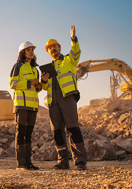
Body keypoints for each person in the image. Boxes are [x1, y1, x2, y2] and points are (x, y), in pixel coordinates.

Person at [41, 25, 87, 170]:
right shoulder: (48, 69)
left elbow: (76, 51)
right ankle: (63, 162)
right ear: (48, 52)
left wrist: (73, 39)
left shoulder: (69, 60)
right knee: (57, 132)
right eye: (50, 48)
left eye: (54, 47)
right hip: (53, 102)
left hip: (67, 98)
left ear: (59, 48)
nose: (52, 49)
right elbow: (44, 87)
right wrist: (43, 80)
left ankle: (79, 161)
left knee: (73, 128)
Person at [9, 41, 42, 170]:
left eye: (32, 50)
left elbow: (35, 89)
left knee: (28, 135)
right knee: (20, 133)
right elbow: (13, 84)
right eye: (28, 50)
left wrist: (39, 86)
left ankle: (28, 163)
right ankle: (21, 163)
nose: (31, 52)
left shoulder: (35, 70)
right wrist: (29, 83)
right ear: (22, 52)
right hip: (21, 106)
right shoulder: (18, 66)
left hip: (32, 106)